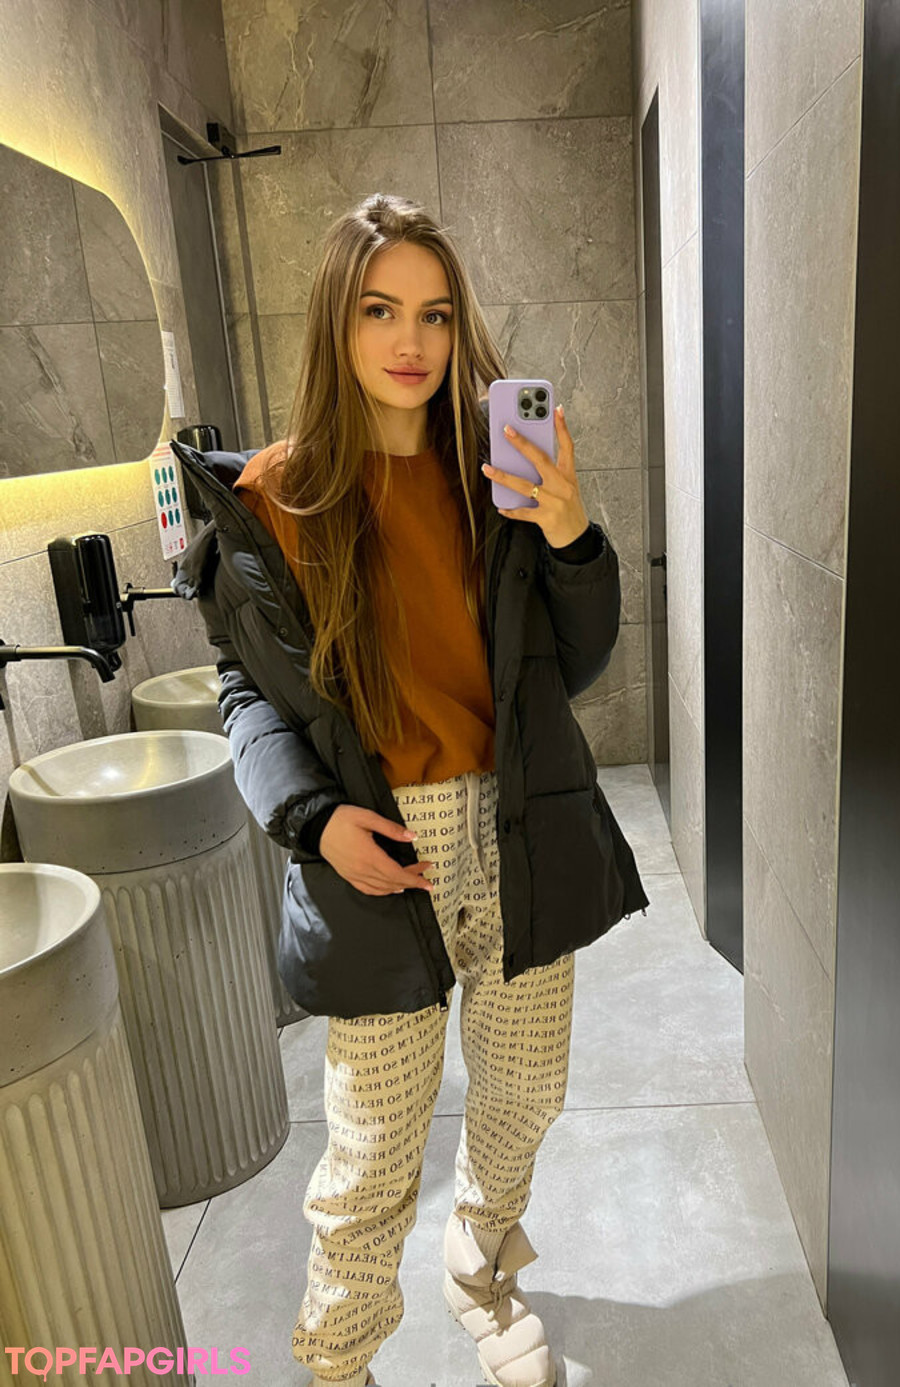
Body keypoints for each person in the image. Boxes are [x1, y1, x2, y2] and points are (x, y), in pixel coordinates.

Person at [171, 192, 648, 1387]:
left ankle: (479, 1258)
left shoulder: (498, 477)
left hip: (519, 816)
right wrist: (312, 818)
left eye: (436, 314)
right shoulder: (274, 499)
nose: (412, 341)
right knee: (375, 1143)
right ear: (336, 320)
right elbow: (244, 689)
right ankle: (339, 1363)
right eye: (381, 309)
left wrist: (572, 533)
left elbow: (578, 660)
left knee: (528, 1087)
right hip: (377, 843)